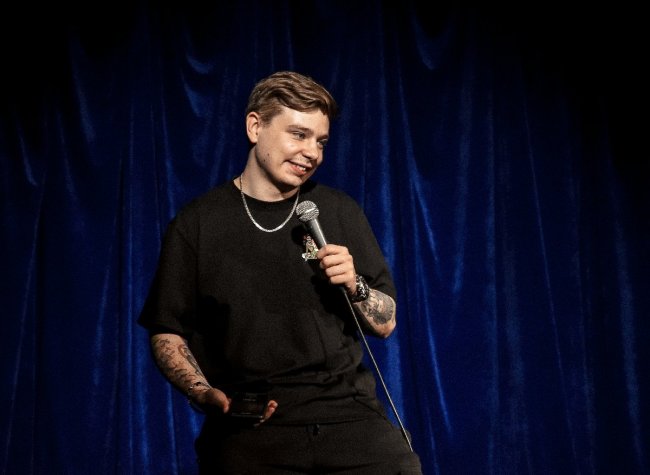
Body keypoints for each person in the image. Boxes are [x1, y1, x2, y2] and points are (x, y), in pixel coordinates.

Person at [138, 70, 422, 473]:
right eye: (299, 135)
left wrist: (355, 285)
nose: (312, 153)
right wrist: (201, 391)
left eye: (321, 141)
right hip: (255, 425)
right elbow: (167, 331)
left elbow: (386, 322)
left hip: (348, 417)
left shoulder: (339, 211)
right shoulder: (197, 224)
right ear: (255, 127)